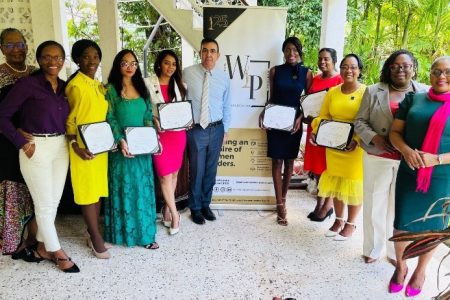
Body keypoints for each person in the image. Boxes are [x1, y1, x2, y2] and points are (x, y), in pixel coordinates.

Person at [0, 40, 79, 272]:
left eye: (57, 57)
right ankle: (57, 252)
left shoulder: (65, 87)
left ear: (63, 60)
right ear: (39, 59)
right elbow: (2, 116)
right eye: (47, 57)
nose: (52, 61)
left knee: (52, 203)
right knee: (44, 205)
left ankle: (42, 247)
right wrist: (22, 142)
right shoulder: (27, 85)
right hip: (35, 147)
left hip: (60, 146)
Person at [354, 50, 428, 266]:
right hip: (378, 156)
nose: (400, 70)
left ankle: (396, 253)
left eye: (406, 65)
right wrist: (374, 137)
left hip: (408, 159)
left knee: (398, 208)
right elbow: (359, 122)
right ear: (388, 68)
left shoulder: (425, 92)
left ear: (414, 67)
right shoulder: (372, 91)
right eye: (395, 66)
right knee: (374, 204)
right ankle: (372, 249)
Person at [388, 56, 450, 297]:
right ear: (429, 73)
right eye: (436, 71)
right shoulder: (414, 99)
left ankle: (421, 271)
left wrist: (438, 159)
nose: (441, 76)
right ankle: (401, 266)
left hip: (443, 177)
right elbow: (395, 132)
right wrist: (406, 151)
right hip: (410, 171)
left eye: (447, 71)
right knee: (402, 222)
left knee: (434, 225)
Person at [104, 49, 158, 249]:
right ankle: (120, 234)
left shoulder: (141, 87)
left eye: (134, 63)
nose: (130, 67)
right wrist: (120, 139)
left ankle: (145, 235)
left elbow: (146, 116)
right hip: (122, 150)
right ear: (118, 66)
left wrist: (152, 139)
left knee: (142, 190)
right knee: (124, 189)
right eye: (125, 63)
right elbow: (110, 118)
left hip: (141, 149)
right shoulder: (110, 89)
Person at [311, 54, 366, 240]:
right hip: (334, 145)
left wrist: (356, 140)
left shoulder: (366, 93)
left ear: (359, 70)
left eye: (353, 67)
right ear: (340, 69)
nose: (348, 70)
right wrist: (317, 132)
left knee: (352, 185)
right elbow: (322, 116)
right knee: (336, 182)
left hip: (354, 148)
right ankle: (338, 220)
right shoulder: (333, 92)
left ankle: (351, 224)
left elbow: (367, 121)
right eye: (344, 66)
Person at [259, 36, 312, 226]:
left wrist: (300, 118)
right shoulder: (275, 71)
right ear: (283, 52)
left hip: (293, 124)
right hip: (275, 122)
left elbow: (308, 103)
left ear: (300, 52)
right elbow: (271, 97)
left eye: (295, 50)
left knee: (289, 161)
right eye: (288, 50)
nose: (291, 53)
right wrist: (264, 112)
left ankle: (284, 199)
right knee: (276, 161)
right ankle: (279, 204)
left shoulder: (307, 74)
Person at [65, 39, 110, 259]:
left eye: (95, 56)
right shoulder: (75, 85)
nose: (91, 60)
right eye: (85, 56)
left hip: (101, 146)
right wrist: (75, 145)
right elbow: (70, 120)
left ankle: (92, 232)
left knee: (97, 191)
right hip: (83, 147)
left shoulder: (97, 85)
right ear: (76, 60)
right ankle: (95, 236)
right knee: (87, 192)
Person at [183, 38, 231, 225]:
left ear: (218, 55)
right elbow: (179, 98)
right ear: (200, 52)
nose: (208, 54)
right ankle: (195, 208)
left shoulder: (224, 77)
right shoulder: (187, 73)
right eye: (205, 50)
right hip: (196, 130)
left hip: (217, 129)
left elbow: (227, 106)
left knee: (211, 170)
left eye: (212, 51)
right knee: (197, 170)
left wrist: (225, 130)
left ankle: (205, 204)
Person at [0, 28, 38, 259]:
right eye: (10, 45)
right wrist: (16, 132)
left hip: (35, 142)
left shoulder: (35, 73)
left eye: (20, 44)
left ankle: (34, 237)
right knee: (13, 189)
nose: (17, 49)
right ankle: (14, 241)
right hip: (6, 142)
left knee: (34, 188)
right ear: (2, 48)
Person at [145, 50, 187, 235]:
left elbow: (183, 110)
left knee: (175, 173)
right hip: (160, 136)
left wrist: (188, 120)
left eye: (174, 64)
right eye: (166, 63)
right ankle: (176, 214)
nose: (170, 67)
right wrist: (152, 119)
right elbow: (145, 109)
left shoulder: (180, 85)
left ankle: (167, 209)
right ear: (159, 64)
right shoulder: (148, 83)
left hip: (178, 136)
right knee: (164, 175)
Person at [304, 48, 343, 222]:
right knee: (318, 170)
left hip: (329, 130)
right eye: (320, 59)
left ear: (334, 60)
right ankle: (319, 204)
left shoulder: (340, 79)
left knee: (329, 169)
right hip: (314, 128)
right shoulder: (316, 79)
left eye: (326, 59)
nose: (322, 62)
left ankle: (328, 206)